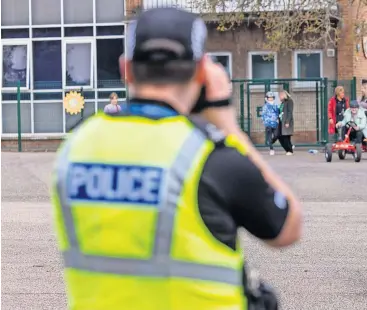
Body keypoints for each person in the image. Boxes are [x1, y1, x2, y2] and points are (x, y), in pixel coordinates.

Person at [51, 7, 302, 310]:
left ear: (125, 69)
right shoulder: (211, 158)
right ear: (201, 71)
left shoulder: (75, 146)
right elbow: (288, 228)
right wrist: (226, 122)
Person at [278, 91, 294, 155]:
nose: (279, 97)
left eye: (280, 96)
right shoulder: (282, 102)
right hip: (281, 122)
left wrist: (287, 122)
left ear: (284, 95)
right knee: (281, 136)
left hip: (286, 121)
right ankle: (287, 149)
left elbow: (290, 112)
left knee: (286, 136)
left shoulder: (289, 101)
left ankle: (289, 150)